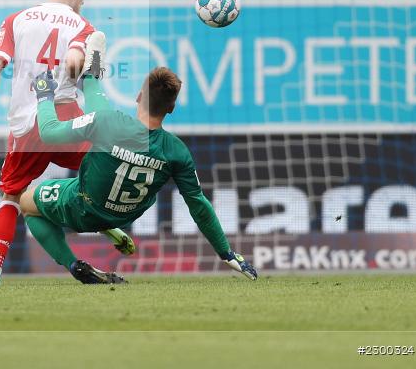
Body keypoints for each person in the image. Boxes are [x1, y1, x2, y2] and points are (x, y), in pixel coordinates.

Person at [20, 53, 259, 284]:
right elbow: (199, 205)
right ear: (171, 108)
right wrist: (226, 253)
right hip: (127, 215)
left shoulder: (107, 122)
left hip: (84, 206)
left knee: (27, 203)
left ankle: (74, 265)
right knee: (101, 120)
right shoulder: (177, 151)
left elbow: (49, 132)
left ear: (138, 96)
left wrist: (44, 94)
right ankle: (91, 77)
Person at [0, 0, 134, 287]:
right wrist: (78, 71)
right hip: (64, 117)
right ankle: (108, 227)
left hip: (26, 125)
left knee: (12, 196)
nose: (84, 2)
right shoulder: (82, 25)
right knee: (96, 171)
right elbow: (76, 62)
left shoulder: (16, 19)